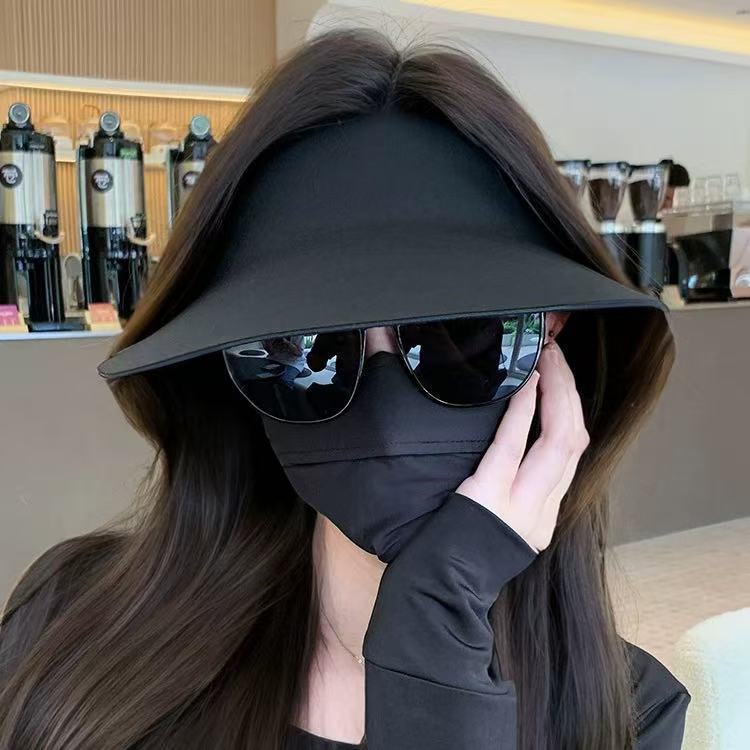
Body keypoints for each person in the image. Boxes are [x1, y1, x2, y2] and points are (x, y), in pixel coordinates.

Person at [0, 30, 690, 750]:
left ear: (553, 343)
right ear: (230, 369)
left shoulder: (627, 715)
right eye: (305, 346)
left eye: (460, 337)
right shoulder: (67, 630)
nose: (388, 419)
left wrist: (435, 628)